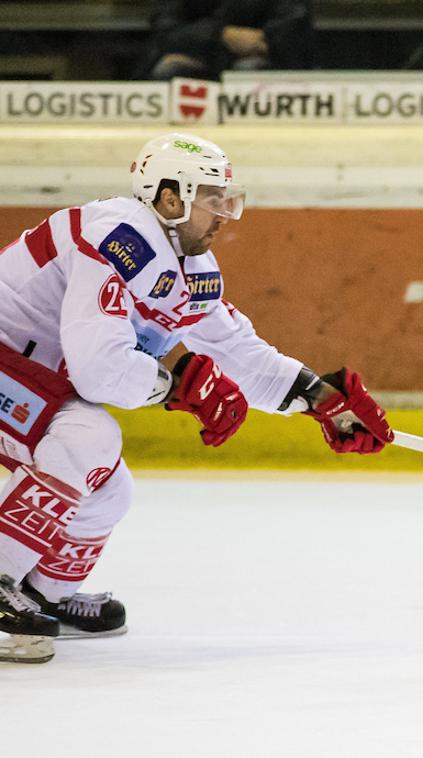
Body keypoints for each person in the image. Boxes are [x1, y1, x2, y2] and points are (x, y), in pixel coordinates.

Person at [0, 133, 394, 663]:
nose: (225, 213)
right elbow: (98, 370)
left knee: (109, 492)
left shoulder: (187, 265)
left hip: (26, 376)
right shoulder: (116, 235)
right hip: (14, 368)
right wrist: (175, 387)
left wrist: (322, 400)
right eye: (213, 198)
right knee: (88, 435)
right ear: (169, 197)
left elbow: (236, 351)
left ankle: (39, 596)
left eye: (228, 198)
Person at [143, 0, 314, 80]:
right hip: (200, 58)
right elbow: (165, 28)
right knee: (169, 70)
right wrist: (221, 35)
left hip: (263, 61)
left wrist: (262, 41)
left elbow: (294, 23)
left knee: (247, 72)